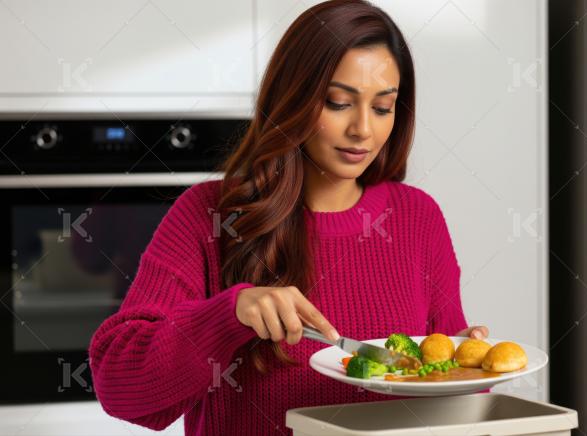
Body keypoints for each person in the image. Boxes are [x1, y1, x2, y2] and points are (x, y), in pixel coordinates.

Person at [88, 1, 488, 434]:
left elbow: (450, 403)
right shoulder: (208, 216)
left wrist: (466, 365)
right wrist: (228, 315)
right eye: (338, 103)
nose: (362, 130)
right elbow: (118, 386)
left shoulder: (418, 217)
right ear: (293, 97)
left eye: (382, 107)